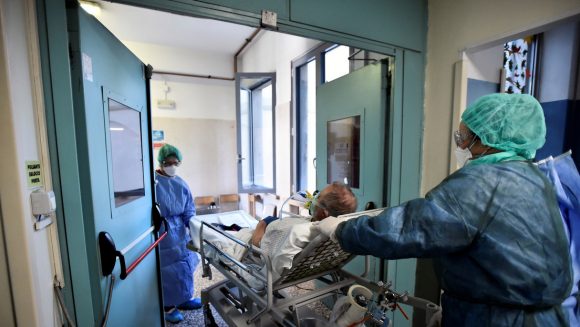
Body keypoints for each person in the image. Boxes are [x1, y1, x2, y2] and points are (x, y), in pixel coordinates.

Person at [314, 93, 573, 326]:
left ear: (488, 140)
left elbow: (406, 228)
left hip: (498, 319)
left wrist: (342, 229)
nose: (460, 146)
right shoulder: (535, 178)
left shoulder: (479, 184)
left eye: (463, 137)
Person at [155, 144, 201, 323]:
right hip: (163, 232)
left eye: (176, 163)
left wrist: (193, 225)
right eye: (169, 162)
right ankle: (168, 307)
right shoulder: (154, 183)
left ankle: (184, 299)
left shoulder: (181, 183)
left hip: (181, 232)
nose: (173, 166)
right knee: (167, 270)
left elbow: (189, 208)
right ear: (161, 162)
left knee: (184, 266)